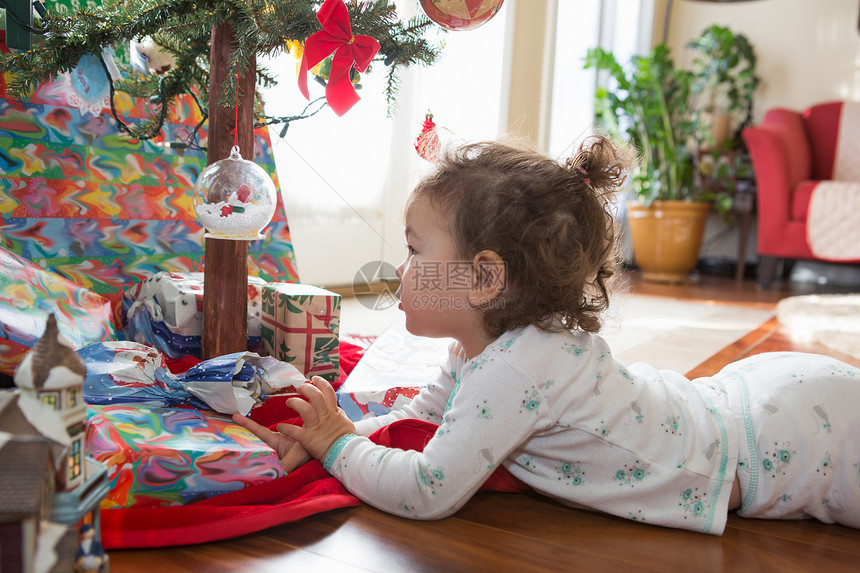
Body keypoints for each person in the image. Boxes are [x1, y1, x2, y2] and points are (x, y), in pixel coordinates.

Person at [233, 136, 860, 535]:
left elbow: (427, 491)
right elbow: (419, 423)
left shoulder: (516, 370)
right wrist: (321, 434)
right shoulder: (479, 348)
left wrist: (339, 447)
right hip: (749, 399)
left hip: (791, 448)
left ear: (482, 278)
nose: (399, 269)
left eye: (414, 250)